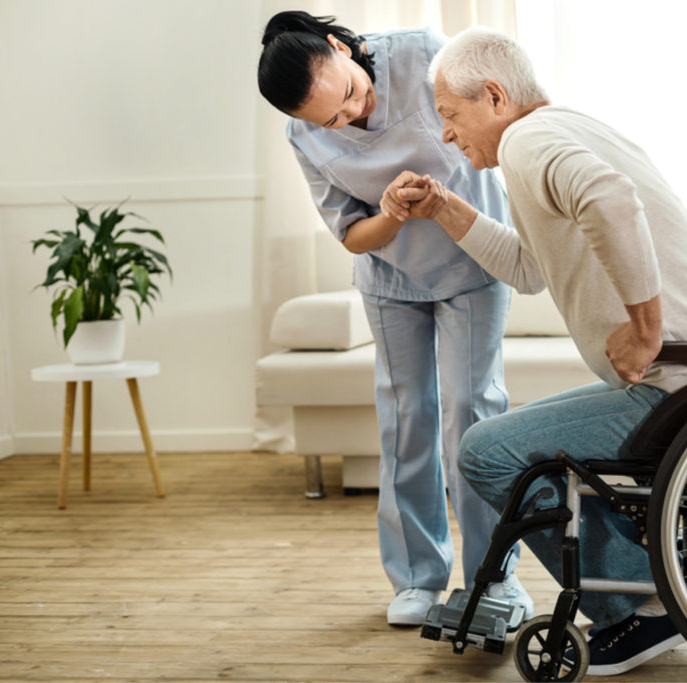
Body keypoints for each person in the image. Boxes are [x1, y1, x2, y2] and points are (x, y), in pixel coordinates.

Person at [385, 27, 687, 676]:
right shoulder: (558, 130)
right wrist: (445, 207)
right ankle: (663, 581)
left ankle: (637, 611)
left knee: (485, 450)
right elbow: (530, 268)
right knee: (515, 441)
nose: (446, 134)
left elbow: (610, 199)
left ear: (495, 96)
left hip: (680, 385)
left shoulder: (530, 141)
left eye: (450, 114)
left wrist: (646, 326)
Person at [256, 13, 531, 627]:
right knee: (407, 421)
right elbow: (354, 235)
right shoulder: (304, 137)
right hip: (390, 277)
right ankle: (416, 577)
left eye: (350, 94)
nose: (351, 115)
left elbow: (495, 125)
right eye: (332, 120)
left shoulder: (425, 54)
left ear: (340, 47)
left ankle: (496, 579)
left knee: (472, 415)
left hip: (471, 259)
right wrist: (393, 213)